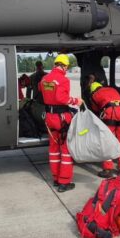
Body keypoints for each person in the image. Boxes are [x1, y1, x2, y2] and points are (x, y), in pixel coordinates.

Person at [40, 54, 83, 192]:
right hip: (61, 118)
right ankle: (64, 182)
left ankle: (56, 178)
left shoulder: (44, 79)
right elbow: (61, 97)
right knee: (65, 150)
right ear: (64, 66)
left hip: (49, 117)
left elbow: (43, 92)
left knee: (53, 149)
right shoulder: (63, 80)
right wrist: (76, 101)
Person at [88, 81, 120, 178]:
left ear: (93, 90)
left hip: (110, 114)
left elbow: (95, 109)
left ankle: (108, 169)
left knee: (107, 141)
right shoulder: (112, 89)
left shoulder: (95, 95)